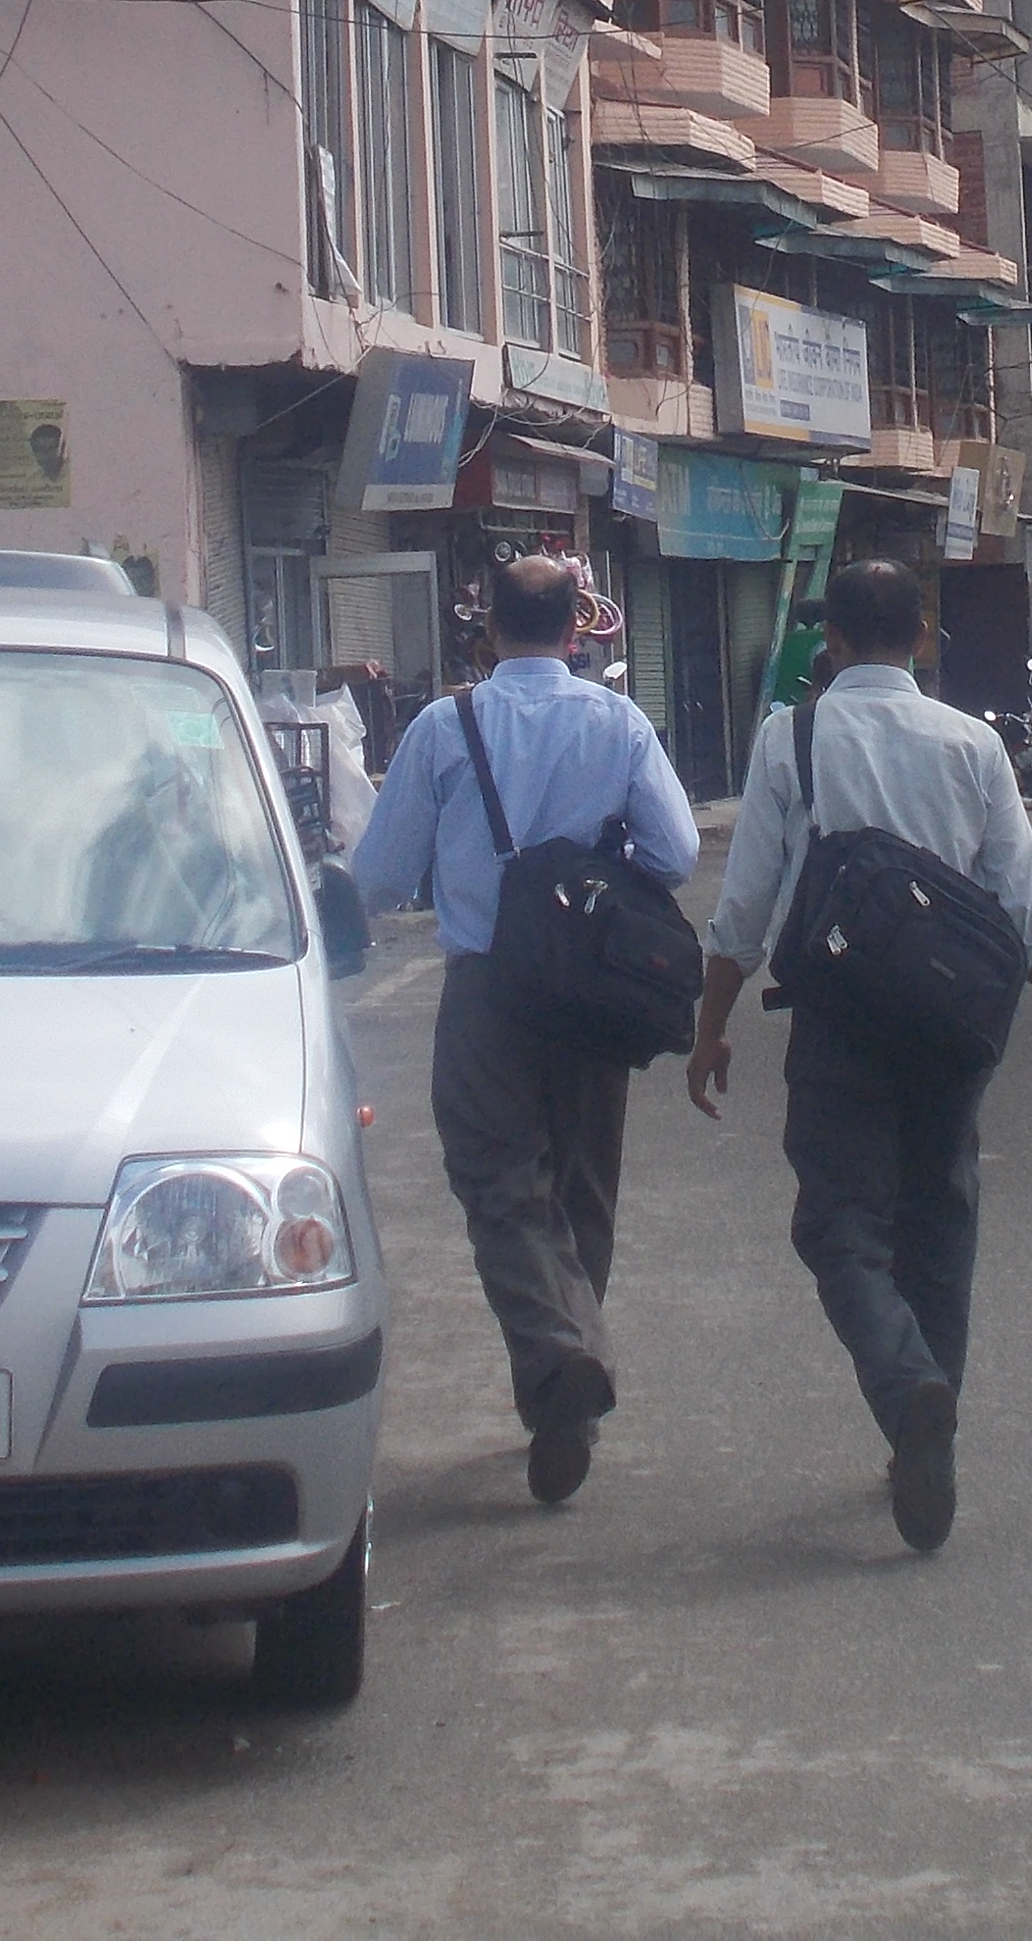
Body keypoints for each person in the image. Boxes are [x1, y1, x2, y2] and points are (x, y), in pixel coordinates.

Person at [688, 560, 1032, 1552]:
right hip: (958, 1027)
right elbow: (1025, 899)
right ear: (922, 637)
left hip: (842, 1022)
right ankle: (930, 1415)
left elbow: (743, 909)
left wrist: (710, 1028)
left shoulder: (795, 738)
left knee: (838, 1227)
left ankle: (908, 1390)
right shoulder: (975, 744)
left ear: (831, 645)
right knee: (941, 1224)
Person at [350, 555, 702, 1506]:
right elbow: (676, 851)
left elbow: (379, 874)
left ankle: (557, 1358)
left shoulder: (442, 728)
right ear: (573, 632)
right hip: (592, 998)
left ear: (489, 628)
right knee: (584, 1193)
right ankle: (565, 1400)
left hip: (486, 998)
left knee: (503, 1191)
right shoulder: (618, 722)